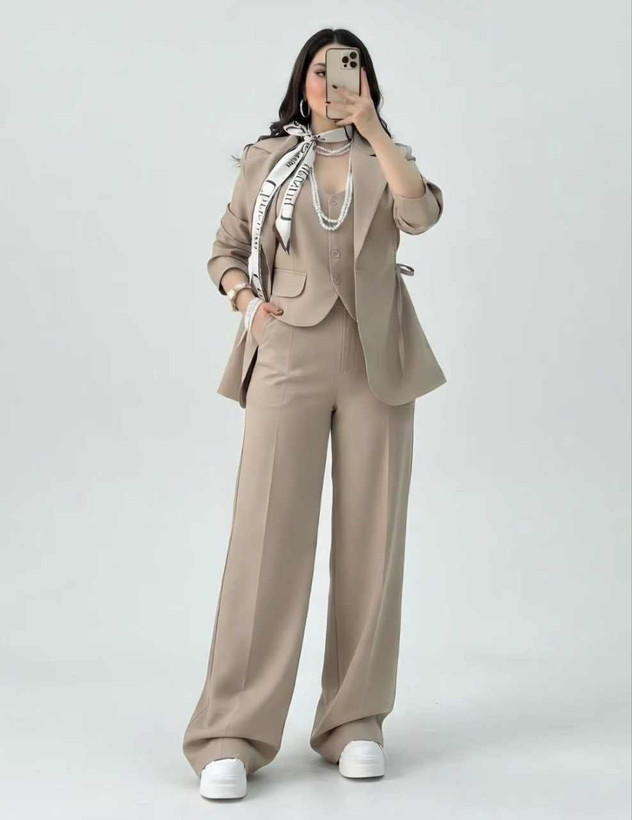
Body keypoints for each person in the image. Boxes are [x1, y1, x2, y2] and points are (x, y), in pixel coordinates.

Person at [182, 28, 447, 801]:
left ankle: (355, 720)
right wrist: (249, 306)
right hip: (288, 350)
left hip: (377, 359)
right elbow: (225, 249)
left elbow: (420, 215)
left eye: (348, 69)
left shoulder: (388, 159)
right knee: (267, 537)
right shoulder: (267, 161)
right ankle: (231, 731)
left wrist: (374, 132)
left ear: (368, 81)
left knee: (372, 539)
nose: (335, 82)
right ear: (302, 82)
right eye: (322, 71)